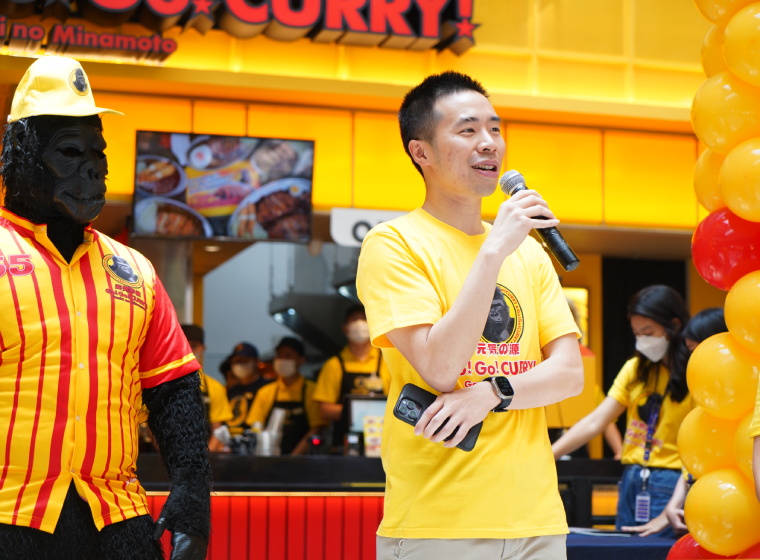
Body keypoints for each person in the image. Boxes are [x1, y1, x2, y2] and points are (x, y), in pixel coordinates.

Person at [357, 71, 584, 560]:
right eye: (467, 130)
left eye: (495, 129)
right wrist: (493, 251)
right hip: (439, 524)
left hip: (538, 521)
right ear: (421, 152)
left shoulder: (530, 252)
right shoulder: (393, 244)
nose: (489, 142)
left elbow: (569, 374)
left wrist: (492, 392)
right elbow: (440, 368)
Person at [0, 57, 210, 559]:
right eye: (70, 152)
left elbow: (173, 389)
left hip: (118, 519)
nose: (94, 170)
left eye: (99, 153)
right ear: (21, 152)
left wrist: (192, 493)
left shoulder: (135, 270)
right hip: (10, 515)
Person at [552, 285, 693, 538]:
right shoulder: (635, 368)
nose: (642, 340)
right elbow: (596, 421)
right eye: (637, 333)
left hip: (672, 482)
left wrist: (673, 506)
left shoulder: (695, 373)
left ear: (674, 325)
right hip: (632, 480)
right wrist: (549, 455)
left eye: (648, 332)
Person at [313, 305, 391, 448]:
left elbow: (397, 402)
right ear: (345, 328)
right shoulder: (334, 365)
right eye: (354, 319)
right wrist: (364, 411)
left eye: (364, 319)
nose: (359, 323)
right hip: (344, 445)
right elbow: (324, 411)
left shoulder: (387, 360)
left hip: (382, 443)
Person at [247, 337, 327, 455]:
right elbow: (256, 427)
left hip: (303, 460)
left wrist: (293, 458)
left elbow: (316, 429)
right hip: (268, 459)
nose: (282, 360)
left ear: (301, 360)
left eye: (288, 355)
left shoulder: (312, 391)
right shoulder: (265, 392)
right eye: (279, 355)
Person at [181, 324, 234, 452]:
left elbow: (217, 431)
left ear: (203, 348)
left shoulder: (214, 388)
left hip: (203, 457)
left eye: (193, 346)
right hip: (166, 458)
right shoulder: (160, 384)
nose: (188, 350)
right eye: (183, 345)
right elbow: (152, 426)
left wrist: (204, 459)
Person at [226, 342, 272, 436]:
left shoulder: (267, 388)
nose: (239, 364)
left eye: (243, 360)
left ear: (256, 361)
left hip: (254, 439)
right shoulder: (231, 390)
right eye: (235, 361)